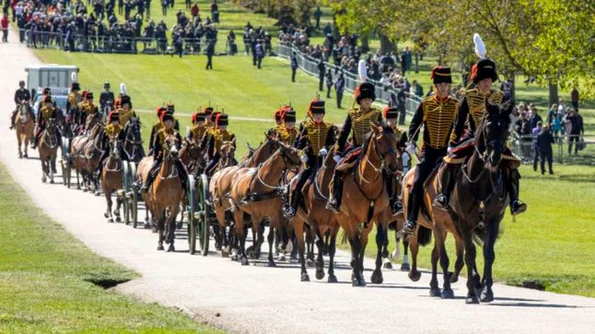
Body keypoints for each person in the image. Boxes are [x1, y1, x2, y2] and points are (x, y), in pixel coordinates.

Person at [434, 58, 527, 218]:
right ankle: (445, 196)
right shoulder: (468, 97)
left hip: (494, 140)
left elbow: (505, 118)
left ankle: (514, 200)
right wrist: (453, 142)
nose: (487, 83)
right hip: (472, 139)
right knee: (450, 162)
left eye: (489, 80)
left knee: (511, 164)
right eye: (484, 80)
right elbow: (459, 122)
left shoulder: (499, 96)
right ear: (478, 81)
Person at [400, 67, 459, 234]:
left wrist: (454, 144)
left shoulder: (456, 105)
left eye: (446, 84)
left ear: (449, 86)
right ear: (435, 86)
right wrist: (412, 140)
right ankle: (411, 219)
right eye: (440, 84)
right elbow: (414, 124)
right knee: (417, 182)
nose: (443, 87)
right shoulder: (426, 104)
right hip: (428, 152)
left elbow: (461, 127)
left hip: (447, 152)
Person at [326, 82, 382, 212]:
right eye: (365, 99)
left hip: (373, 150)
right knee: (339, 169)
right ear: (360, 100)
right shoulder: (352, 114)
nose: (368, 101)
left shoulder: (376, 114)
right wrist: (338, 151)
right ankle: (335, 199)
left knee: (389, 171)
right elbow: (344, 133)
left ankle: (393, 201)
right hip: (356, 148)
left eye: (369, 99)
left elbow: (381, 132)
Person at [284, 99, 336, 218]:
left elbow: (333, 143)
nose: (318, 117)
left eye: (320, 114)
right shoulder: (306, 126)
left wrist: (327, 149)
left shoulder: (329, 127)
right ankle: (293, 208)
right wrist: (302, 155)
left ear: (323, 115)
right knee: (298, 183)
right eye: (316, 115)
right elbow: (299, 145)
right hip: (310, 161)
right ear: (312, 115)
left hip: (324, 161)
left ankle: (336, 204)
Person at [141, 110, 188, 193]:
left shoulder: (176, 133)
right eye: (167, 121)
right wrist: (156, 158)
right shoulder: (160, 133)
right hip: (162, 156)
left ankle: (186, 187)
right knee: (152, 170)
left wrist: (178, 155)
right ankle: (147, 185)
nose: (168, 123)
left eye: (170, 121)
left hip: (174, 157)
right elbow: (156, 147)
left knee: (183, 170)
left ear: (172, 123)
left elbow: (180, 145)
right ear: (164, 123)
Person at [383, 106, 408, 214]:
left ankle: (399, 201)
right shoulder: (382, 133)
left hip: (397, 162)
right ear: (386, 119)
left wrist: (403, 148)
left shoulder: (401, 133)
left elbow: (403, 146)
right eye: (389, 119)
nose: (392, 121)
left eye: (394, 119)